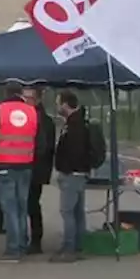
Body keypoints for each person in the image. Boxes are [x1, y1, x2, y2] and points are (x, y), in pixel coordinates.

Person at [0, 85, 38, 262]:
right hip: (26, 165)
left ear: (5, 94)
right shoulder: (32, 111)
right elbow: (39, 140)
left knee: (10, 209)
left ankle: (13, 249)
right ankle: (22, 244)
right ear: (20, 94)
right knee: (22, 208)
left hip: (4, 164)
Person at [51, 90, 96, 263]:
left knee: (67, 211)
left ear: (65, 104)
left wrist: (65, 168)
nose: (57, 106)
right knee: (77, 212)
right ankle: (77, 246)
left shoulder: (74, 126)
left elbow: (74, 151)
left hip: (72, 174)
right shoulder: (77, 122)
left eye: (58, 103)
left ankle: (69, 248)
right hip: (79, 173)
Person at [21, 86, 56, 256]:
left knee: (32, 205)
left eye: (29, 98)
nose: (26, 101)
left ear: (38, 99)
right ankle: (28, 238)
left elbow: (44, 148)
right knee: (27, 205)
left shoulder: (43, 120)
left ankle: (35, 241)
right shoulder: (28, 116)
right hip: (31, 168)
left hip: (35, 170)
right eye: (24, 97)